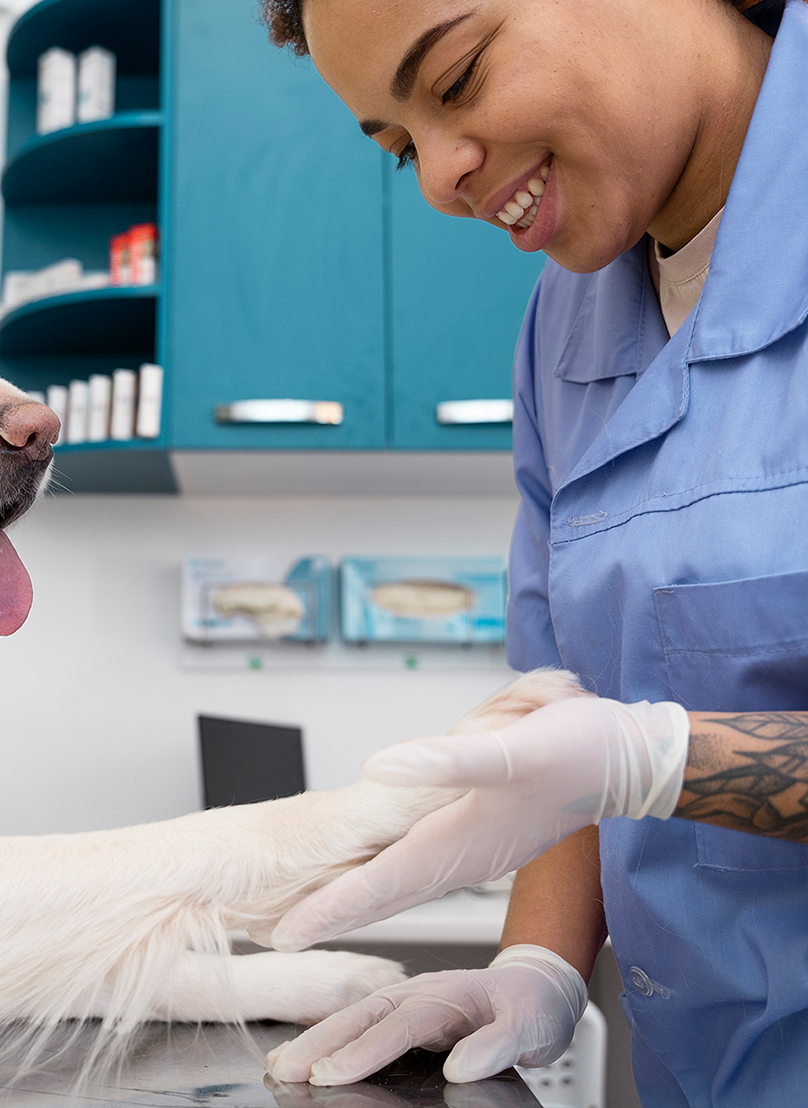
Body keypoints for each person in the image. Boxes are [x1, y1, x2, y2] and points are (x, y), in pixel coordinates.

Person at [253, 0, 808, 1104]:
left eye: (456, 77)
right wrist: (536, 960)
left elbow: (620, 752)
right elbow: (578, 715)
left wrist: (661, 762)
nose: (438, 179)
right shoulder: (565, 324)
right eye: (399, 145)